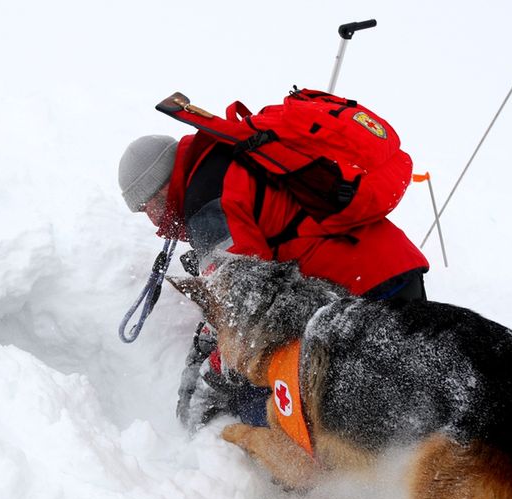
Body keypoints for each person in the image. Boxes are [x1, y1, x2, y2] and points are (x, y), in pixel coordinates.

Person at [118, 132, 429, 429]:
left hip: (358, 296)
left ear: (164, 188)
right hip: (391, 268)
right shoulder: (227, 160)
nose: (157, 224)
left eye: (151, 209)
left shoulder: (208, 209)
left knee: (256, 403)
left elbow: (244, 319)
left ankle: (300, 482)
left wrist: (207, 387)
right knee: (414, 402)